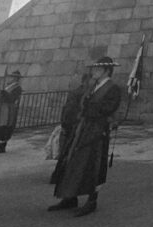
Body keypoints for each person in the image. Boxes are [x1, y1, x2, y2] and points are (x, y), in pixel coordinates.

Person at [48, 56, 123, 217]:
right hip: (82, 128)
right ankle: (69, 196)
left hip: (97, 131)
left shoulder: (112, 88)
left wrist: (89, 108)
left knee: (92, 164)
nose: (93, 72)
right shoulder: (93, 86)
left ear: (106, 71)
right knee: (72, 160)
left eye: (97, 69)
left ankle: (91, 201)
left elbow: (108, 108)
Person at [49, 71, 88, 185]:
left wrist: (64, 123)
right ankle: (62, 176)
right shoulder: (82, 94)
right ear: (85, 81)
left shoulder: (75, 92)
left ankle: (59, 175)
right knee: (70, 152)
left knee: (67, 152)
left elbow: (65, 109)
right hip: (75, 126)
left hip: (71, 125)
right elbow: (69, 110)